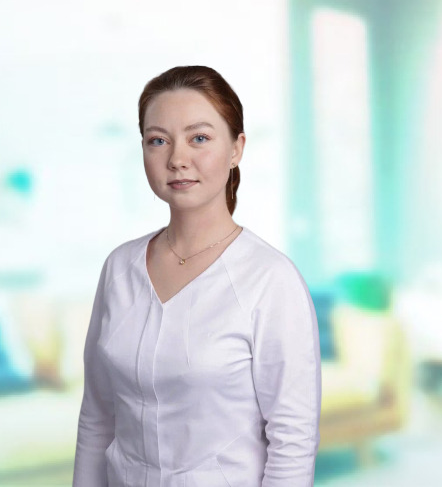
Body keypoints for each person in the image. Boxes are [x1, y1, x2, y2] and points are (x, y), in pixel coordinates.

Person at [73, 65, 321, 486]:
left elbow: (293, 441)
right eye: (158, 140)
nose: (177, 159)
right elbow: (97, 418)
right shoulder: (119, 268)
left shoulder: (270, 280)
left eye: (199, 138)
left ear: (236, 149)